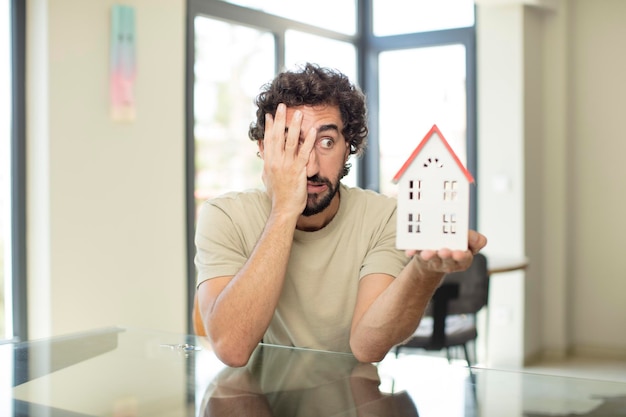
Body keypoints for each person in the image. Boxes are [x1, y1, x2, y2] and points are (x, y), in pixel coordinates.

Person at [194, 63, 487, 367]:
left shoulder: (384, 217)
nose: (310, 167)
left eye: (326, 142)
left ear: (348, 148)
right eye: (290, 143)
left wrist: (424, 271)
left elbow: (367, 347)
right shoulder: (223, 216)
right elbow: (232, 349)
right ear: (264, 149)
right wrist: (283, 211)